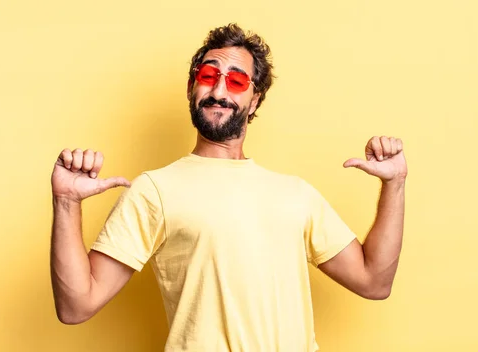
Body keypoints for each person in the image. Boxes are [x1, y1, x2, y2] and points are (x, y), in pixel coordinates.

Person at [50, 23, 407, 351]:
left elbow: (373, 282)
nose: (219, 90)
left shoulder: (296, 194)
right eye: (208, 76)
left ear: (255, 100)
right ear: (192, 87)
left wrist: (395, 183)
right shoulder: (154, 190)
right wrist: (66, 201)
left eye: (236, 81)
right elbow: (76, 306)